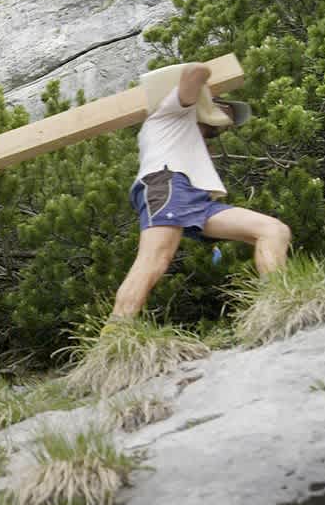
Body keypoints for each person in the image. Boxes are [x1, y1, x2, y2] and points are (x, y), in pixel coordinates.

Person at [110, 61, 291, 320]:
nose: (227, 119)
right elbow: (195, 72)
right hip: (167, 183)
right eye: (224, 107)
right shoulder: (172, 111)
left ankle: (279, 302)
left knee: (273, 230)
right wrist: (206, 76)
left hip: (194, 198)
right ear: (205, 101)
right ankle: (116, 332)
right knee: (155, 259)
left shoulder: (185, 134)